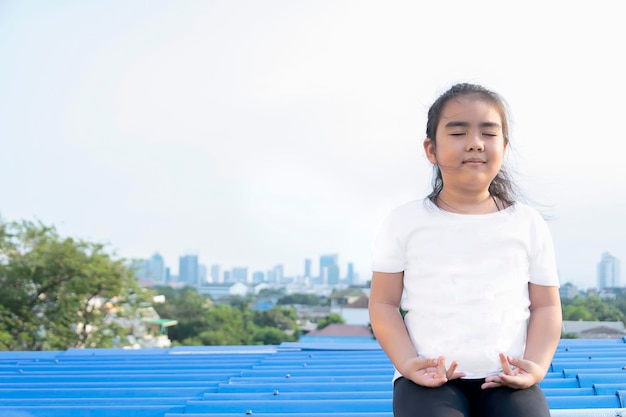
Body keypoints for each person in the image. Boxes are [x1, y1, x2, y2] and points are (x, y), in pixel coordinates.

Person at [368, 83, 562, 417]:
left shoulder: (528, 222)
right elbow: (384, 303)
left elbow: (546, 306)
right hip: (429, 379)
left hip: (507, 378)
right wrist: (408, 364)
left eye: (488, 133)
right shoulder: (404, 221)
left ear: (504, 146)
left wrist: (535, 366)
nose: (474, 142)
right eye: (458, 132)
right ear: (431, 149)